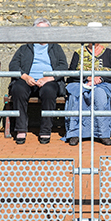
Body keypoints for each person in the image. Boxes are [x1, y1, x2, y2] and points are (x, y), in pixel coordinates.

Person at [8, 17, 68, 145]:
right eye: (39, 30)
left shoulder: (56, 48)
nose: (42, 33)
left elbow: (63, 66)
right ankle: (21, 129)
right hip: (28, 81)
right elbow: (13, 65)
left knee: (49, 91)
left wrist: (49, 78)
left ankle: (46, 130)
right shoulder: (25, 48)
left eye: (45, 30)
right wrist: (25, 77)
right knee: (17, 89)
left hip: (48, 81)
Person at [64, 27, 111, 146]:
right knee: (77, 96)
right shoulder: (78, 53)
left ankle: (103, 133)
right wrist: (87, 78)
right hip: (82, 83)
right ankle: (75, 133)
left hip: (103, 84)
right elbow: (72, 72)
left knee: (100, 96)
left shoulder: (109, 53)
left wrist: (100, 79)